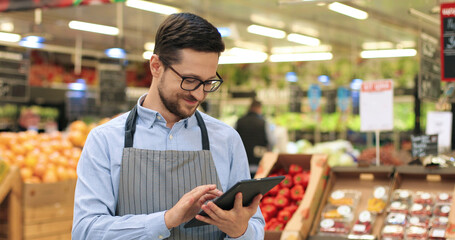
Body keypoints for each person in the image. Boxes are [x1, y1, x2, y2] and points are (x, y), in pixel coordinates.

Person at [72, 13, 265, 240]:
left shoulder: (227, 140)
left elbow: (255, 227)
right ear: (156, 66)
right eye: (190, 80)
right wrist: (166, 220)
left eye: (209, 82)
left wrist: (240, 231)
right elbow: (85, 231)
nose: (199, 93)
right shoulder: (104, 140)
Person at [235, 99, 276, 177]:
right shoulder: (264, 123)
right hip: (259, 164)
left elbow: (233, 140)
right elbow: (272, 141)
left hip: (242, 164)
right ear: (259, 108)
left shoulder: (239, 122)